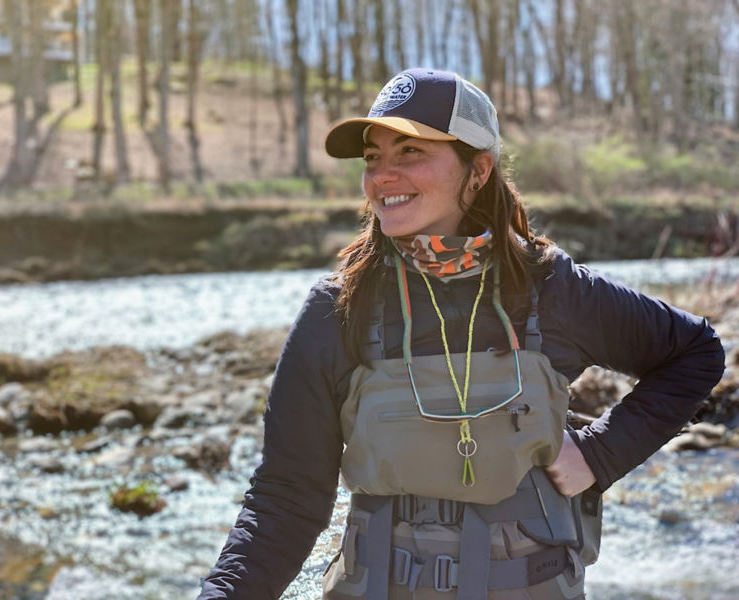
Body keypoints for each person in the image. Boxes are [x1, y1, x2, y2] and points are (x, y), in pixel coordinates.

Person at [197, 68, 725, 599]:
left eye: (409, 153)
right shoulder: (339, 309)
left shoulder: (551, 289)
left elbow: (695, 352)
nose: (382, 175)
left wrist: (599, 454)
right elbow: (286, 498)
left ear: (478, 171)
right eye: (373, 158)